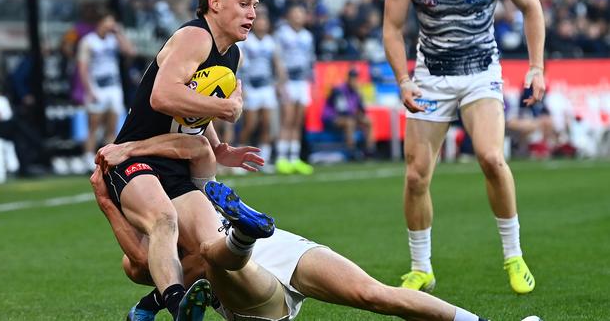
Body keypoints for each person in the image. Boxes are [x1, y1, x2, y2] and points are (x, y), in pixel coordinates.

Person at [91, 135, 495, 321]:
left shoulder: (185, 198)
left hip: (278, 249)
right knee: (217, 259)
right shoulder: (155, 251)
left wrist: (132, 149)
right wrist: (107, 201)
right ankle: (243, 233)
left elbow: (196, 147)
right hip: (256, 300)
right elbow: (140, 261)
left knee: (374, 293)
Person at [101, 0, 267, 320]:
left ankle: (150, 307)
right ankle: (179, 307)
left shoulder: (230, 53)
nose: (252, 13)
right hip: (132, 158)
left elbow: (191, 112)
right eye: (244, 3)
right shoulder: (195, 36)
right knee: (163, 221)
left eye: (255, 5)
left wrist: (218, 145)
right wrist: (224, 107)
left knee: (211, 251)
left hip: (179, 162)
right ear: (215, 2)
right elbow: (163, 97)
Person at [383, 0, 545, 294]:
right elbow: (392, 28)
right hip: (430, 78)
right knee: (416, 176)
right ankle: (421, 268)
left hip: (481, 74)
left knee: (490, 157)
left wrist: (536, 67)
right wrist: (403, 79)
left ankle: (514, 256)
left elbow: (531, 5)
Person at [77, 7, 135, 168]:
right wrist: (89, 90)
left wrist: (119, 33)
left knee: (112, 124)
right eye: (109, 21)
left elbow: (130, 51)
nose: (111, 24)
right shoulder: (89, 41)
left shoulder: (113, 39)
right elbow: (82, 66)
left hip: (113, 87)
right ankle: (88, 157)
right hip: (97, 87)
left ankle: (108, 157)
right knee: (94, 125)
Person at [237, 7, 286, 173]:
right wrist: (241, 86)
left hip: (267, 87)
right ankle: (240, 160)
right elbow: (240, 65)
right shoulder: (246, 41)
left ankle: (262, 160)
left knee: (266, 124)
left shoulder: (270, 42)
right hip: (252, 86)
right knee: (250, 124)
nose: (262, 24)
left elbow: (277, 64)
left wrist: (280, 83)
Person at [274, 4, 315, 175]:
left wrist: (311, 80)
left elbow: (310, 58)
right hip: (288, 81)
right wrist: (280, 81)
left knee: (299, 120)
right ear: (289, 16)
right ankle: (281, 158)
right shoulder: (282, 34)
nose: (298, 16)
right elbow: (277, 57)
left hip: (302, 81)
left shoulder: (307, 36)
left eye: (301, 13)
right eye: (295, 12)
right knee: (287, 118)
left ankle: (294, 157)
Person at [321, 67, 376, 160]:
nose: (355, 81)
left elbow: (362, 110)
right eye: (353, 78)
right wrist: (356, 116)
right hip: (331, 118)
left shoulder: (356, 92)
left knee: (368, 121)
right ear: (348, 79)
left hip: (349, 116)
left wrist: (360, 95)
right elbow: (341, 111)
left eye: (356, 78)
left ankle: (369, 150)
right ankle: (352, 151)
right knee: (350, 122)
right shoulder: (339, 90)